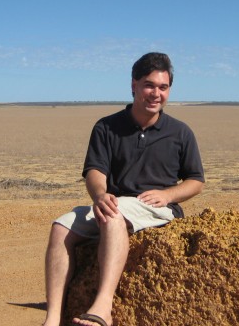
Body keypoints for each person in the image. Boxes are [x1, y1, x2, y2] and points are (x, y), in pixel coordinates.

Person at [42, 52, 205, 326]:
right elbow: (95, 170)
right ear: (134, 85)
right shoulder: (107, 127)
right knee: (61, 226)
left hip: (157, 209)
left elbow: (196, 181)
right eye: (149, 85)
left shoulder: (180, 133)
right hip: (114, 202)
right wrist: (100, 195)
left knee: (114, 214)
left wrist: (167, 194)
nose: (156, 93)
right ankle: (53, 317)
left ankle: (103, 307)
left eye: (163, 87)